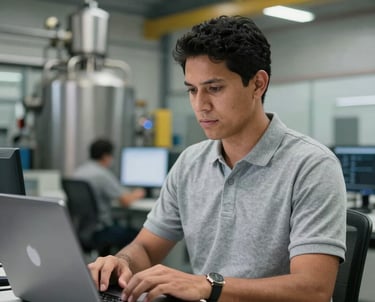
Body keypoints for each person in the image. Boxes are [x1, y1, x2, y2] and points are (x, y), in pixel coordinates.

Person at [88, 16, 347, 302]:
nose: (200, 105)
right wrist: (122, 261)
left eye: (214, 88)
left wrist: (209, 286)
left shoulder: (311, 166)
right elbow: (146, 249)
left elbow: (314, 290)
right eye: (192, 90)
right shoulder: (190, 163)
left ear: (258, 84)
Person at [74, 138, 145, 254]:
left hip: (83, 230)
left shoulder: (79, 172)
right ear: (106, 156)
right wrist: (138, 194)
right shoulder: (102, 174)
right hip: (101, 231)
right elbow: (125, 201)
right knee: (140, 237)